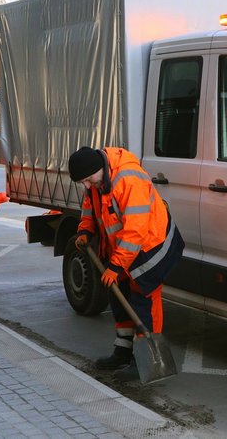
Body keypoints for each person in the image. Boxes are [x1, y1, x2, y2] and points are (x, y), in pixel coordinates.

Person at [68, 146, 184, 377]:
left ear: (100, 169)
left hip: (151, 246)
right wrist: (85, 230)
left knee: (143, 297)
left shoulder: (129, 180)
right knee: (117, 294)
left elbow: (135, 231)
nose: (87, 186)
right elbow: (91, 207)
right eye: (83, 182)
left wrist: (115, 266)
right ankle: (123, 351)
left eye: (89, 180)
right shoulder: (97, 180)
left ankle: (147, 359)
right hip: (125, 248)